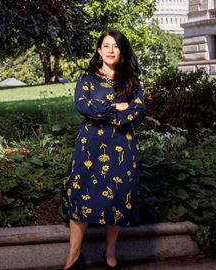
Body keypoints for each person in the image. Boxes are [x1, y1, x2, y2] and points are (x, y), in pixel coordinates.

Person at [61, 30, 145, 270]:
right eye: (106, 46)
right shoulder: (86, 78)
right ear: (99, 50)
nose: (110, 50)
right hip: (90, 147)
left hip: (121, 145)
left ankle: (110, 254)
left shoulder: (131, 81)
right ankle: (74, 256)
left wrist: (113, 112)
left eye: (116, 46)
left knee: (117, 198)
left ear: (122, 51)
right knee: (80, 196)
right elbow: (82, 106)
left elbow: (137, 111)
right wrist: (115, 106)